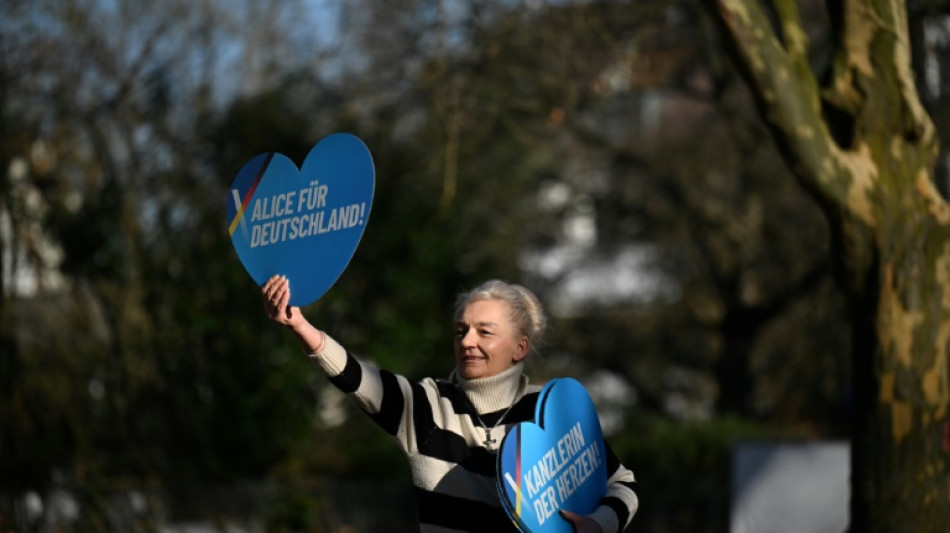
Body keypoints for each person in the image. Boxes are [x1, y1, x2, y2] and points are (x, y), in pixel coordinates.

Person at [262, 275, 639, 532]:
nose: (467, 341)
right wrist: (300, 326)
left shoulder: (551, 411)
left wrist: (600, 524)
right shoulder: (425, 405)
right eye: (461, 330)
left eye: (484, 332)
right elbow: (358, 377)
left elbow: (623, 484)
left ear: (520, 348)